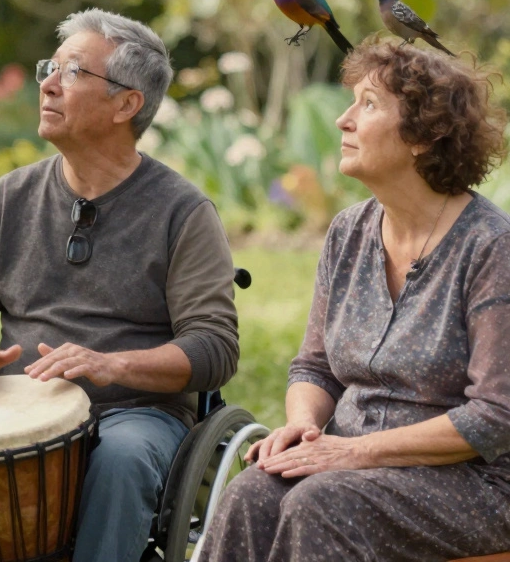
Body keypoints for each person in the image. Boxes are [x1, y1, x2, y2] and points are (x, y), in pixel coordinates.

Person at [0, 8, 240, 562]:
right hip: (18, 403)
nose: (46, 84)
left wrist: (113, 365)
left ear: (126, 103)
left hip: (135, 413)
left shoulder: (183, 212)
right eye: (51, 66)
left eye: (71, 72)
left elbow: (214, 347)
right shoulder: (8, 197)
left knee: (118, 459)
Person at [198, 42, 510, 561]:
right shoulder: (349, 232)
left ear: (425, 136)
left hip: (471, 482)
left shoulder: (489, 247)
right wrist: (304, 425)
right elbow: (314, 367)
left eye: (368, 104)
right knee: (252, 492)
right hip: (351, 462)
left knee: (322, 502)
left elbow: (495, 418)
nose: (343, 120)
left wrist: (352, 452)